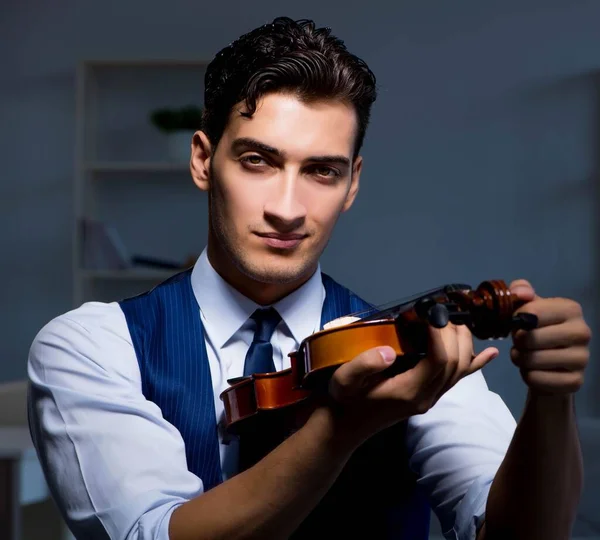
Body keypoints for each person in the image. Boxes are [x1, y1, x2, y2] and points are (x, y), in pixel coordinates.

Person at [27, 16, 591, 540]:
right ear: (203, 160)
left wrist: (551, 400)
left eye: (322, 171)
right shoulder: (92, 346)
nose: (289, 208)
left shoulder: (415, 347)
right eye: (258, 161)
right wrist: (338, 429)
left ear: (352, 185)